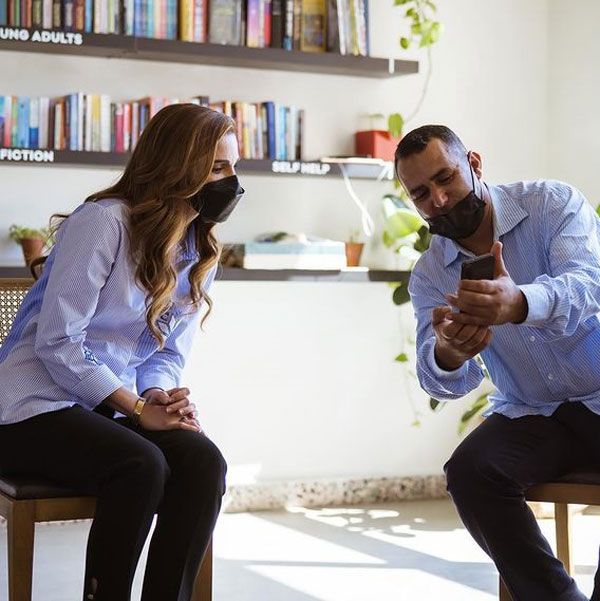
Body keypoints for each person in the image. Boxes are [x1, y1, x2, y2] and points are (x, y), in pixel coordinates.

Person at [0, 103, 244, 601]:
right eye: (218, 167)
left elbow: (163, 352)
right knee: (141, 464)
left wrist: (156, 396)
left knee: (203, 463)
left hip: (105, 408)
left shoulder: (199, 248)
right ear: (179, 164)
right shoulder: (103, 222)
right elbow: (57, 342)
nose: (232, 182)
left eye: (234, 167)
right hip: (28, 408)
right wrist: (135, 408)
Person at [395, 124, 600, 601]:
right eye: (421, 194)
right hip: (535, 411)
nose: (440, 200)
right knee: (471, 472)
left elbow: (589, 286)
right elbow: (439, 378)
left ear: (475, 164)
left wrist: (521, 302)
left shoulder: (551, 204)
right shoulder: (429, 275)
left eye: (446, 178)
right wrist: (450, 352)